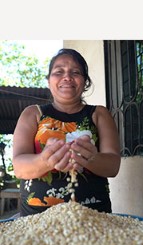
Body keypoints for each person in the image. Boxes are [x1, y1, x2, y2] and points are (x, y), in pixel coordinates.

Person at [12, 48, 121, 216]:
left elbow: (113, 167)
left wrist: (91, 158)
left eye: (75, 72)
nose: (67, 77)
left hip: (94, 216)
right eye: (59, 71)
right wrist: (46, 160)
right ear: (49, 81)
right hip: (36, 218)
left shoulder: (99, 114)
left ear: (85, 82)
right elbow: (19, 168)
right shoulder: (32, 114)